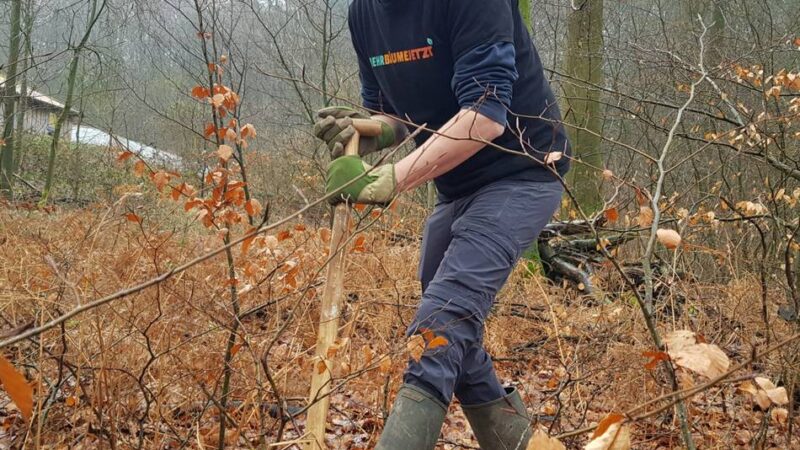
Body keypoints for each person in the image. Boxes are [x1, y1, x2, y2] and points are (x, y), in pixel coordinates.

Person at [314, 0, 571, 448]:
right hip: (456, 185)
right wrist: (369, 129)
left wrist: (388, 179)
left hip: (524, 172)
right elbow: (396, 115)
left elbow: (486, 116)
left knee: (441, 324)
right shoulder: (363, 14)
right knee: (454, 335)